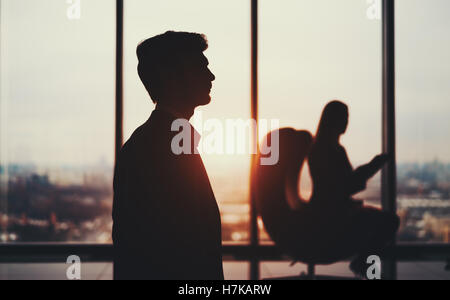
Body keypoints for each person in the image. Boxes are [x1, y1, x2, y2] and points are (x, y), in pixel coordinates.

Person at [112, 31, 223, 280]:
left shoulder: (149, 145)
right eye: (201, 67)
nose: (211, 76)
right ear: (174, 76)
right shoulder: (160, 149)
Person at [308, 100, 400, 277]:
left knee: (385, 221)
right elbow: (345, 185)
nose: (346, 122)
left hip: (328, 213)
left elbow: (343, 184)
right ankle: (363, 263)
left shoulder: (323, 148)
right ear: (333, 120)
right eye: (344, 117)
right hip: (331, 216)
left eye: (347, 117)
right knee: (389, 221)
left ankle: (363, 263)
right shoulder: (329, 150)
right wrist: (373, 166)